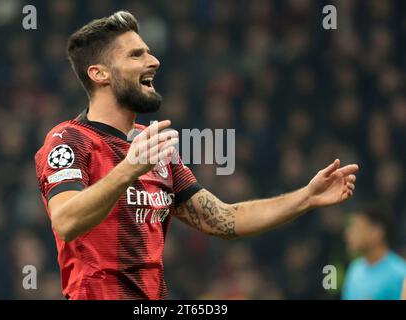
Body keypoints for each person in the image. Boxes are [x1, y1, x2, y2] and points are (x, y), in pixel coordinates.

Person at [34, 11, 359, 300]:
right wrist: (128, 170)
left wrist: (305, 197)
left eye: (148, 51)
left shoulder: (155, 150)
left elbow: (225, 219)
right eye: (136, 54)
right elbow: (65, 221)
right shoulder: (70, 140)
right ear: (99, 74)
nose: (154, 60)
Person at [342, 206, 406, 299]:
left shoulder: (400, 274)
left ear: (377, 232)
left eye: (355, 227)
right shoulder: (354, 269)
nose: (347, 233)